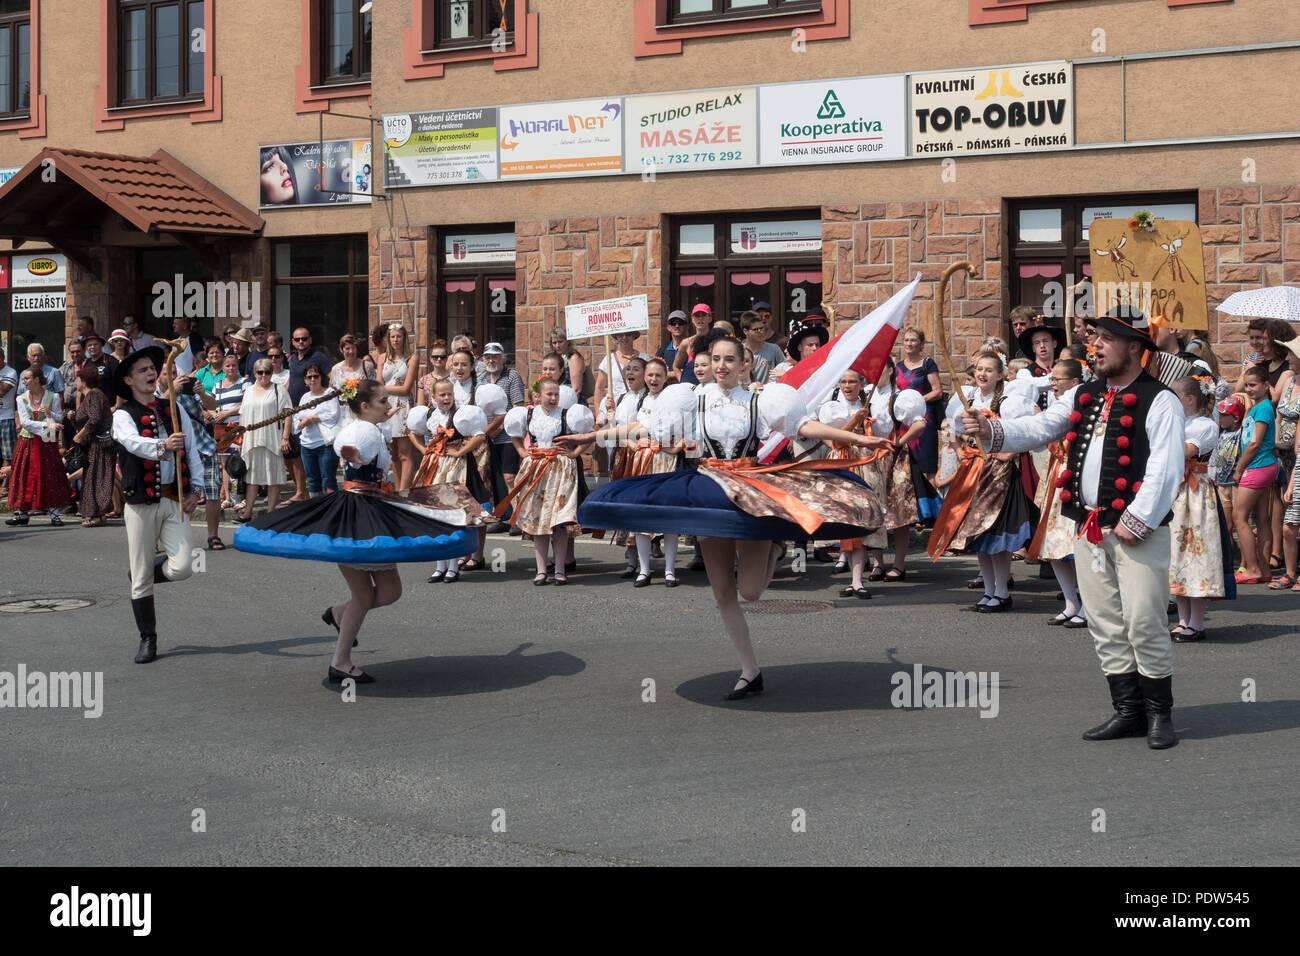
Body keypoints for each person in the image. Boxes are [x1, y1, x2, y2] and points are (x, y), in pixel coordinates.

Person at [572, 330, 889, 699]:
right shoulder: (691, 398)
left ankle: (773, 548)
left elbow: (801, 427)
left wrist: (859, 440)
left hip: (750, 490)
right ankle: (750, 670)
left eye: (729, 360)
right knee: (723, 592)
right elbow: (647, 427)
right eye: (715, 359)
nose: (721, 366)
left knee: (751, 592)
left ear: (744, 365)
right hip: (708, 491)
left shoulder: (759, 400)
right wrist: (592, 438)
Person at [963, 305, 1185, 749]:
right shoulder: (1086, 393)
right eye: (1094, 337)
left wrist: (1136, 520)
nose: (1094, 345)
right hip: (1088, 527)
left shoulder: (1159, 399)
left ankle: (1159, 714)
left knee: (1143, 621)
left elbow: (1165, 468)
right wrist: (991, 430)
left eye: (1105, 338)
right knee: (1104, 622)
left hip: (1133, 531)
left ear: (1135, 347)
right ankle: (1128, 712)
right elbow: (1041, 426)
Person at [234, 379, 480, 683]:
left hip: (370, 506)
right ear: (364, 406)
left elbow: (361, 441)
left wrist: (378, 426)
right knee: (366, 596)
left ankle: (339, 615)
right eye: (382, 403)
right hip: (359, 513)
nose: (388, 407)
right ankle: (340, 660)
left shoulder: (366, 426)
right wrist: (354, 454)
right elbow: (353, 446)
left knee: (389, 592)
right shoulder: (361, 431)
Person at [111, 347, 204, 664]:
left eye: (153, 368)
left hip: (173, 499)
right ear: (128, 379)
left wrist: (197, 488)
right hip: (140, 502)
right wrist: (162, 445)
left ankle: (146, 572)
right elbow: (132, 443)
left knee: (183, 567)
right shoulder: (123, 415)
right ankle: (147, 638)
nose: (151, 374)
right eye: (142, 370)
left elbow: (191, 449)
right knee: (140, 579)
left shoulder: (173, 408)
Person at [931, 352, 1039, 612]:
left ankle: (1001, 591)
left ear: (1000, 375)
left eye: (989, 370)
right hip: (973, 472)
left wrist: (1008, 454)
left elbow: (1024, 433)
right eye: (979, 369)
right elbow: (953, 431)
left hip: (998, 475)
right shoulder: (965, 399)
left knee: (996, 535)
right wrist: (959, 451)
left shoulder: (1008, 403)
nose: (982, 374)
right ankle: (989, 589)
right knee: (978, 535)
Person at [497, 380, 595, 585]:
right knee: (538, 522)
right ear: (538, 397)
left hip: (560, 470)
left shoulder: (568, 414)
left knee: (559, 523)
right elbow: (514, 435)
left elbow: (588, 437)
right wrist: (523, 452)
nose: (553, 398)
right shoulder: (528, 415)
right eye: (549, 394)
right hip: (536, 470)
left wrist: (574, 453)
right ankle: (541, 570)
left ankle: (560, 569)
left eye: (556, 394)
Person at [408, 379, 490, 584]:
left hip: (457, 468)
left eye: (449, 394)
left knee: (455, 516)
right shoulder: (429, 415)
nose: (446, 398)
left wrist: (462, 451)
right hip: (436, 466)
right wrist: (425, 451)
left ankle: (453, 567)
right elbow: (412, 432)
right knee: (438, 516)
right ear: (433, 397)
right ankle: (440, 566)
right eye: (442, 395)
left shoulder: (461, 415)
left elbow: (480, 436)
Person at [1168, 375, 1229, 640]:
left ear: (1190, 400)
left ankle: (1197, 622)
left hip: (1196, 493)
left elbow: (1183, 451)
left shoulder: (1204, 425)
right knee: (1177, 555)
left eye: (1175, 397)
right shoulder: (1176, 422)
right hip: (1176, 492)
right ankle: (1183, 620)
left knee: (1196, 553)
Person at [1029, 359, 1087, 627]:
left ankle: (1087, 604)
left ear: (1075, 383)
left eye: (1058, 379)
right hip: (1056, 473)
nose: (1052, 383)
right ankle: (1070, 602)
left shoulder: (1085, 406)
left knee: (1076, 546)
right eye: (1051, 379)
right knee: (1052, 544)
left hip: (1074, 476)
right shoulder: (1053, 406)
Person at [6, 367, 72, 526]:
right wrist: (47, 425)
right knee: (24, 475)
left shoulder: (53, 396)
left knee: (51, 475)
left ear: (37, 379)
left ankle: (55, 515)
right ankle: (22, 513)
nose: (24, 382)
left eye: (27, 378)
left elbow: (59, 419)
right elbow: (25, 423)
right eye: (23, 379)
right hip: (27, 441)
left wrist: (50, 414)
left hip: (47, 443)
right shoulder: (21, 399)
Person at [1232, 364, 1277, 585]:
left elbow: (1255, 442)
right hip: (1263, 466)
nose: (1248, 389)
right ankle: (1264, 568)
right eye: (1247, 385)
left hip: (1257, 466)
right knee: (1260, 518)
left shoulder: (1263, 408)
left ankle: (1252, 569)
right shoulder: (1260, 406)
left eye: (1253, 385)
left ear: (1265, 385)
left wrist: (1239, 468)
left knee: (1238, 517)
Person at [236, 358, 292, 521]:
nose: (264, 375)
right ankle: (248, 512)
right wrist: (240, 440)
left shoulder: (279, 389)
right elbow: (242, 415)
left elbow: (288, 414)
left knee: (273, 477)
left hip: (272, 439)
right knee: (252, 478)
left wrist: (285, 438)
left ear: (271, 373)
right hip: (251, 440)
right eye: (260, 372)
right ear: (255, 374)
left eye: (267, 372)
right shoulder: (248, 391)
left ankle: (271, 512)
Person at [478, 341, 528, 510]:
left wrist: (495, 430)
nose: (491, 360)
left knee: (509, 477)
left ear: (503, 359)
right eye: (488, 357)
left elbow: (518, 408)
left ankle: (517, 515)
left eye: (495, 357)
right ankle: (499, 514)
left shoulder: (511, 376)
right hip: (486, 434)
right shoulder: (481, 379)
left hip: (507, 435)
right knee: (491, 478)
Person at [894, 326, 944, 480]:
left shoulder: (927, 363)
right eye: (906, 340)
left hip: (924, 418)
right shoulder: (898, 367)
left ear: (921, 344)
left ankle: (931, 502)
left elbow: (938, 391)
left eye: (913, 340)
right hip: (904, 421)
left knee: (927, 465)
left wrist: (916, 402)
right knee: (905, 465)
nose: (909, 343)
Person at [287, 327, 332, 501]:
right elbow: (291, 382)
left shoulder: (318, 357)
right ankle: (301, 492)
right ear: (292, 342)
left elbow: (331, 376)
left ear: (310, 340)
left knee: (320, 467)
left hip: (314, 411)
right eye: (297, 339)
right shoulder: (292, 359)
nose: (301, 342)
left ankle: (322, 500)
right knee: (295, 455)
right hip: (295, 411)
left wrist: (330, 396)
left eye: (304, 339)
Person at [69, 366, 116, 527]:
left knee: (98, 477)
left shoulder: (94, 394)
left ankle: (97, 514)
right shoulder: (89, 396)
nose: (76, 382)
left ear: (83, 380)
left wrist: (80, 435)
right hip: (94, 445)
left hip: (99, 444)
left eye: (77, 378)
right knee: (94, 477)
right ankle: (99, 514)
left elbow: (94, 419)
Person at [378, 323, 419, 491]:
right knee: (393, 454)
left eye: (399, 336)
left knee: (404, 453)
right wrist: (384, 389)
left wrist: (384, 388)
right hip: (386, 406)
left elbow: (406, 388)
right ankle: (396, 490)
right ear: (388, 339)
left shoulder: (411, 358)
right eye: (392, 336)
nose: (396, 340)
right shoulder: (382, 358)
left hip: (402, 406)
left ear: (404, 338)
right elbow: (377, 384)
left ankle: (404, 491)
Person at [293, 366, 341, 496]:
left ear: (321, 378)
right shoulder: (305, 397)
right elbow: (296, 419)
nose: (313, 379)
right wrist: (301, 423)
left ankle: (332, 509)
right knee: (313, 481)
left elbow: (334, 415)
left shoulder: (329, 393)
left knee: (328, 480)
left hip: (325, 444)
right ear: (305, 380)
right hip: (307, 445)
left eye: (316, 376)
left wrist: (313, 418)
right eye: (309, 377)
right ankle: (317, 510)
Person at [331, 333, 376, 423]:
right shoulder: (336, 369)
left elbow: (374, 390)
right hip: (343, 413)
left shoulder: (367, 367)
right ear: (341, 349)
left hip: (362, 411)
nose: (351, 351)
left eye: (353, 348)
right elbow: (333, 392)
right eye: (347, 348)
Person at [672, 304, 715, 384]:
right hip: (693, 388)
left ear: (710, 318)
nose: (700, 319)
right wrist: (684, 381)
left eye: (703, 315)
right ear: (692, 319)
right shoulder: (686, 343)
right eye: (697, 316)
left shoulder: (716, 341)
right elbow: (676, 366)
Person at [548, 327, 590, 402]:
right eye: (554, 343)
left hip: (572, 402)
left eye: (560, 342)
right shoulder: (555, 358)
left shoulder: (573, 358)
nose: (557, 345)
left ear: (567, 342)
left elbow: (576, 389)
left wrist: (567, 408)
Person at [741, 310, 783, 385]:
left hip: (767, 394)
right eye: (757, 330)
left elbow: (785, 370)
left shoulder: (774, 349)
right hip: (742, 394)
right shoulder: (738, 350)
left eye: (762, 328)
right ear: (745, 331)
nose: (761, 332)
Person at [657, 311, 691, 379]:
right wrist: (678, 372)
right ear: (668, 327)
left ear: (687, 326)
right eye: (673, 323)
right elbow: (655, 372)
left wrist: (667, 374)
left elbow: (692, 372)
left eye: (680, 323)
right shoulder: (662, 351)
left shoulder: (692, 349)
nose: (677, 326)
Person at [417, 339, 450, 404]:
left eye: (442, 357)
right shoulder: (423, 380)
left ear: (447, 358)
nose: (439, 359)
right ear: (430, 359)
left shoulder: (453, 379)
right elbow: (420, 406)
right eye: (435, 357)